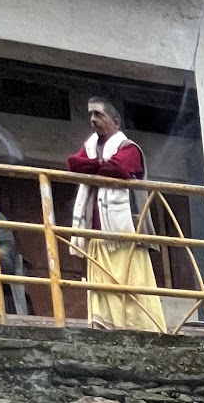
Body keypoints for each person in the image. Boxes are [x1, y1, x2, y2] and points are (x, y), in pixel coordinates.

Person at [66, 97, 165, 334]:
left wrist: (94, 165)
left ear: (115, 121)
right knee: (101, 284)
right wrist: (101, 163)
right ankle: (105, 327)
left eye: (99, 115)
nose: (93, 120)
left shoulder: (129, 148)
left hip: (125, 232)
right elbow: (73, 164)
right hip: (96, 232)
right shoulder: (89, 147)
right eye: (90, 115)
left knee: (132, 282)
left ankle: (143, 328)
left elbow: (119, 169)